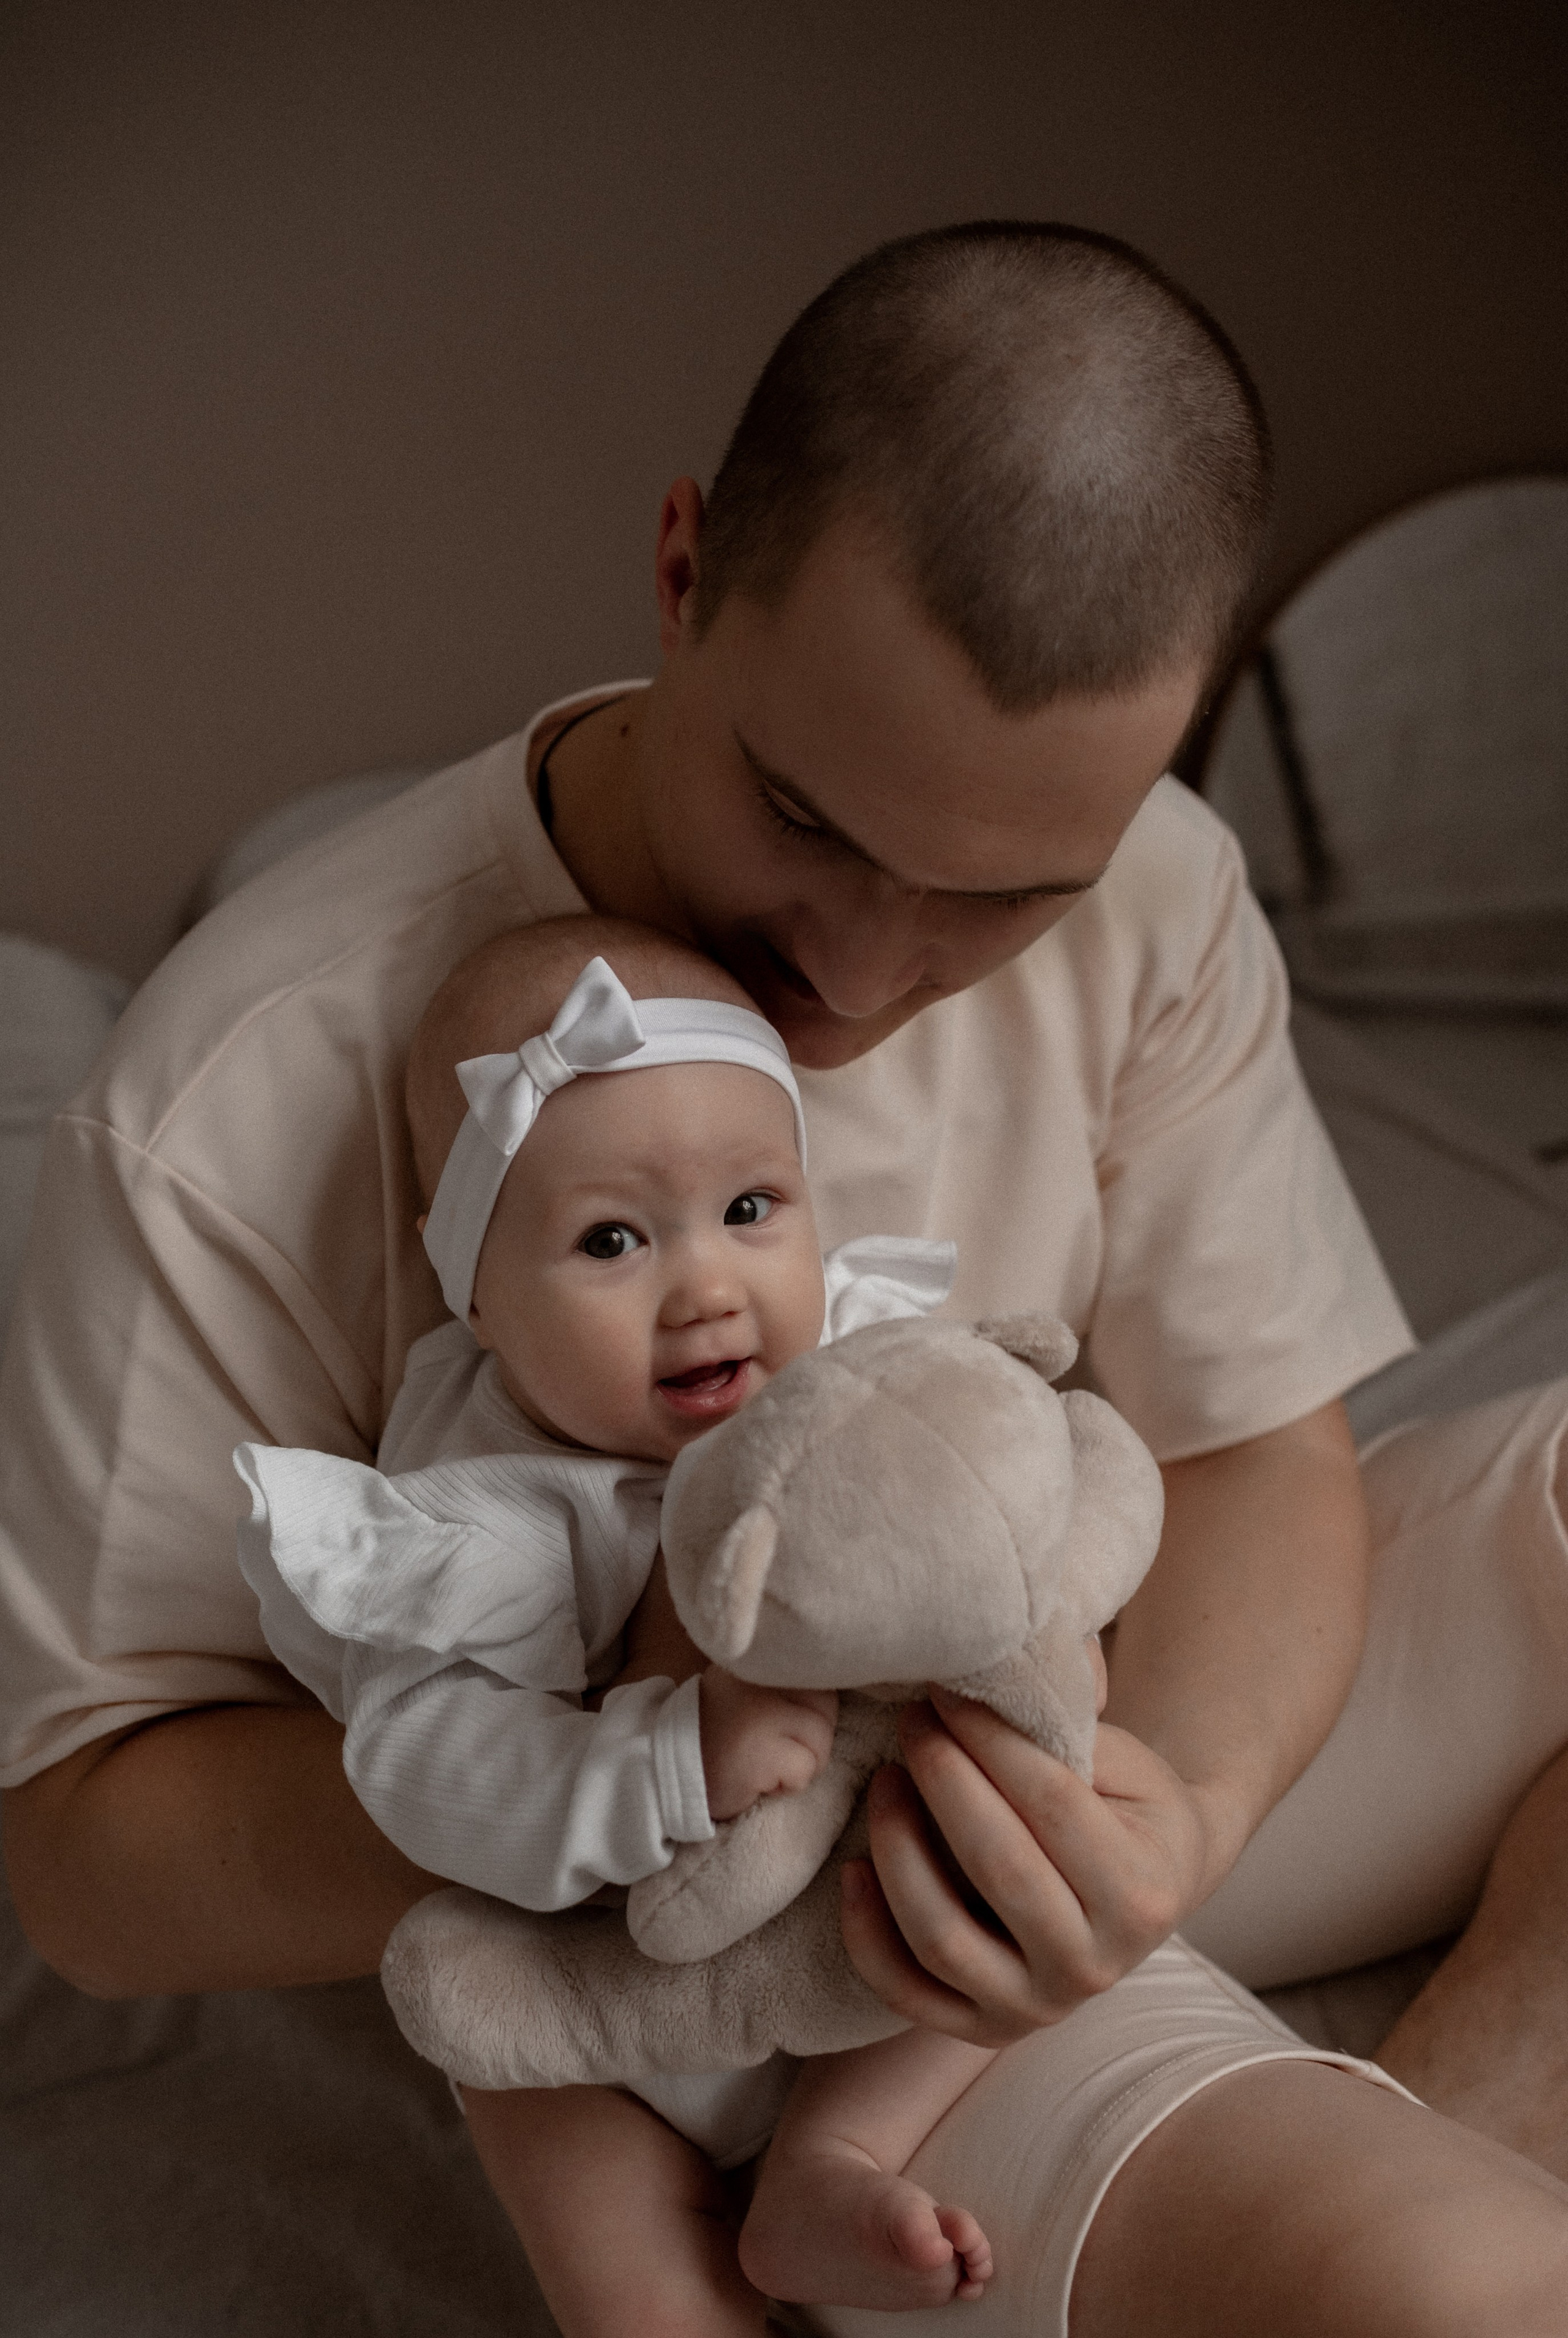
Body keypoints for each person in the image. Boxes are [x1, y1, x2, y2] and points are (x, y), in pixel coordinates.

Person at [4, 221, 1567, 2337]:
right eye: (805, 818)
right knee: (1473, 2291)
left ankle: (1450, 2080)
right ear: (680, 566)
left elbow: (1259, 1445)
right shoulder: (222, 1096)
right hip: (758, 1911)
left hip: (1046, 1741)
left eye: (1005, 896)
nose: (860, 972)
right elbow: (84, 1860)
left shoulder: (1170, 891)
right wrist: (650, 1772)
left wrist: (1160, 1813)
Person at [238, 914, 1005, 2325]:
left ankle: (829, 2164)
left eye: (751, 1209)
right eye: (610, 1240)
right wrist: (659, 1759)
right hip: (599, 1991)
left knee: (1014, 1916)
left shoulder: (842, 1371)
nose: (707, 1286)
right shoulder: (492, 1509)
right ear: (474, 1286)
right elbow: (415, 1758)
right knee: (526, 2082)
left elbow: (980, 1513)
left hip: (844, 1921)